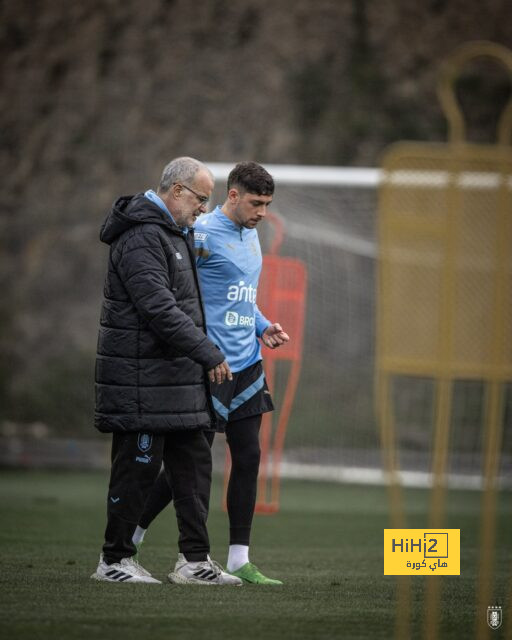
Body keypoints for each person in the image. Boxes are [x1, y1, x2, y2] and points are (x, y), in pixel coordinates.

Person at [133, 161, 289, 585]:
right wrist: (197, 350)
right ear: (233, 196)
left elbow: (242, 298)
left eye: (267, 204)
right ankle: (132, 534)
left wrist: (262, 325)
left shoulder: (253, 237)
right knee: (188, 464)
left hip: (248, 364)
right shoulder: (199, 235)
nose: (261, 211)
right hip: (212, 367)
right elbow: (182, 296)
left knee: (249, 456)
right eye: (256, 202)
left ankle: (239, 559)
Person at [91, 156, 242, 586]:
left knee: (194, 468)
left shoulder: (179, 233)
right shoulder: (140, 237)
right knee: (136, 471)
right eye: (199, 198)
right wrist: (209, 353)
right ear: (176, 190)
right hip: (143, 381)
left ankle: (194, 562)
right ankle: (114, 560)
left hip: (178, 379)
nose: (202, 208)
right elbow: (159, 309)